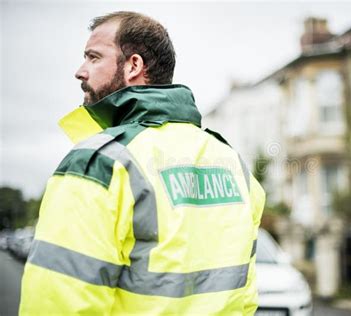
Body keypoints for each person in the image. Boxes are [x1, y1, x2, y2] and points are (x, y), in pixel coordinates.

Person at [19, 11, 265, 315]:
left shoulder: (99, 162)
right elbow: (246, 298)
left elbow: (57, 302)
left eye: (93, 57)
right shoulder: (233, 163)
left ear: (134, 65)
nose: (80, 71)